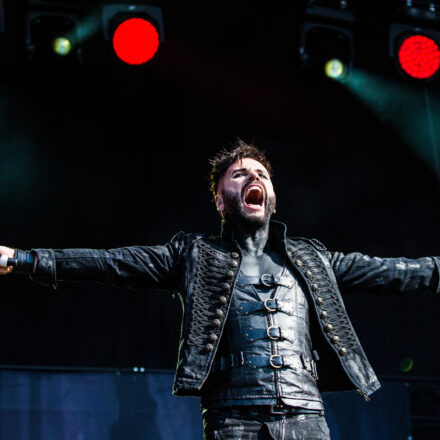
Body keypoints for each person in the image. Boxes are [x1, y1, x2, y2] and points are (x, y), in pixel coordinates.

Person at [1, 139, 439, 440]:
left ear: (271, 197)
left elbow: (387, 271)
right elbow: (114, 262)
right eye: (239, 174)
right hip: (233, 418)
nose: (252, 177)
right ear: (219, 199)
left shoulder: (312, 257)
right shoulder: (194, 254)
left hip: (306, 416)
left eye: (260, 174)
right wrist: (24, 258)